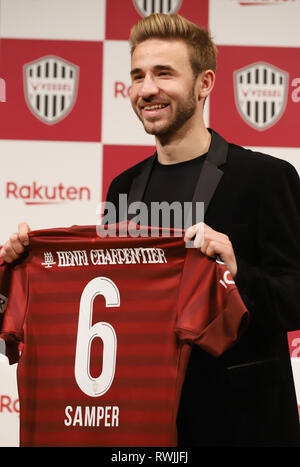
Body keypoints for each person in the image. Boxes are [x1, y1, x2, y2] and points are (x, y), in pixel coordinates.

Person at [1, 13, 300, 447]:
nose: (147, 89)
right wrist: (29, 263)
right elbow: (108, 302)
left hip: (240, 425)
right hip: (144, 427)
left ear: (205, 83)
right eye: (138, 76)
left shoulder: (266, 178)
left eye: (164, 73)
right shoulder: (123, 186)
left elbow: (295, 297)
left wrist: (237, 273)